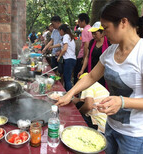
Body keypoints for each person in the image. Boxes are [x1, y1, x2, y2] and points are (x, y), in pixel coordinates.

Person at [56, 0, 143, 153]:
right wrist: (68, 94)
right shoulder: (111, 52)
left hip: (134, 135)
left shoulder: (140, 53)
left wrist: (122, 101)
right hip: (110, 126)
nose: (104, 32)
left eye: (106, 28)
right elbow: (90, 77)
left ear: (123, 22)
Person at [78, 21, 109, 87]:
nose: (93, 36)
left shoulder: (109, 43)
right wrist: (82, 70)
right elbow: (87, 57)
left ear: (102, 33)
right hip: (92, 71)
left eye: (95, 33)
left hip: (104, 73)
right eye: (92, 33)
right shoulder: (92, 42)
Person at [49, 24, 76, 91]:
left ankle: (69, 95)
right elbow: (60, 44)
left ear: (61, 30)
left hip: (68, 60)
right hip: (72, 59)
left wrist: (59, 56)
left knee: (67, 79)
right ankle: (67, 94)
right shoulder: (69, 36)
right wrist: (51, 47)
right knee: (66, 78)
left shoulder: (66, 36)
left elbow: (65, 48)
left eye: (59, 31)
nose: (59, 33)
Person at [74, 13, 93, 85]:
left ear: (83, 21)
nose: (78, 23)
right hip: (89, 55)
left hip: (83, 55)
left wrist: (84, 58)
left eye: (79, 21)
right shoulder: (90, 29)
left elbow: (86, 45)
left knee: (78, 75)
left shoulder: (85, 30)